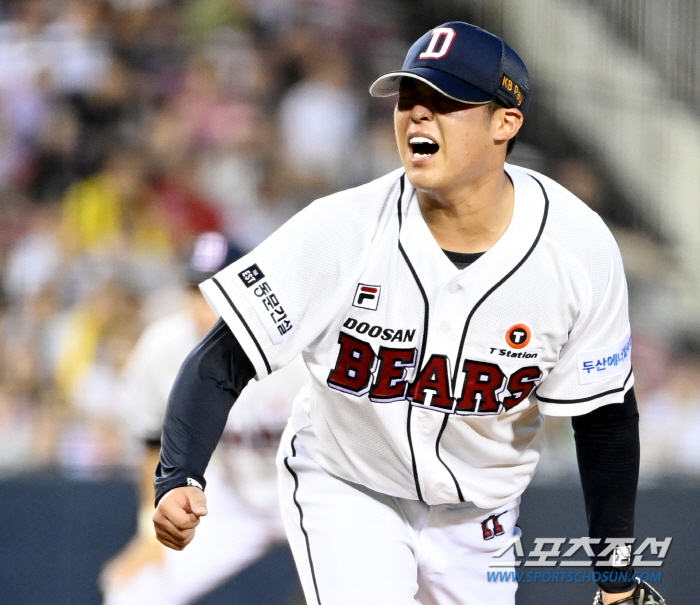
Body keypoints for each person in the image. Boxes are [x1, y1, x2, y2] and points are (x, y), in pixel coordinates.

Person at [152, 23, 654, 605]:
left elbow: (606, 416)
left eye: (445, 102)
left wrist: (616, 579)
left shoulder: (576, 247)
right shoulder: (343, 228)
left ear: (505, 123)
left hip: (480, 515)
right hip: (346, 483)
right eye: (409, 99)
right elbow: (222, 359)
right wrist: (178, 476)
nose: (417, 116)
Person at [101, 232, 307, 605]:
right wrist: (151, 536)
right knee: (131, 592)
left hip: (308, 491)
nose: (203, 305)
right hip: (228, 496)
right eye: (195, 290)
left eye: (217, 290)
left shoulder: (296, 345)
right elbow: (154, 444)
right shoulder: (163, 346)